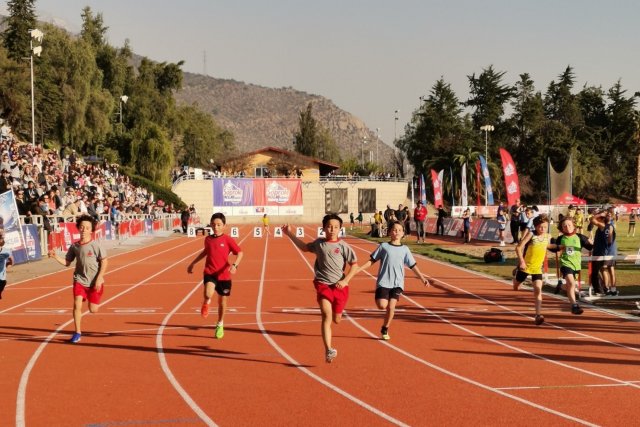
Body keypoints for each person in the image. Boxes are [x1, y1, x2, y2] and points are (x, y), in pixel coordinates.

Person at [282, 214, 357, 363]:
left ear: (340, 229)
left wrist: (346, 281)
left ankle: (336, 318)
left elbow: (354, 265)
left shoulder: (344, 247)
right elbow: (304, 247)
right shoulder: (319, 244)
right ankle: (328, 349)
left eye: (336, 227)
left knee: (337, 319)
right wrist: (289, 233)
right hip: (323, 284)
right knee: (326, 314)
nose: (332, 229)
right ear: (323, 228)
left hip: (340, 286)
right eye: (329, 226)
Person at [342, 221, 429, 340]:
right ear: (389, 232)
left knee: (391, 307)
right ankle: (384, 315)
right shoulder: (384, 247)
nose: (397, 232)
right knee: (382, 305)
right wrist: (358, 269)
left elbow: (413, 265)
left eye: (399, 230)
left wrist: (422, 278)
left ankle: (385, 327)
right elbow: (371, 261)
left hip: (397, 283)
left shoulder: (405, 249)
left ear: (403, 233)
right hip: (383, 281)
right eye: (394, 229)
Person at [48, 214, 109, 343]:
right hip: (79, 280)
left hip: (94, 282)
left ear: (91, 230)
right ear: (78, 228)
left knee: (93, 310)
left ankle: (92, 297)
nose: (84, 230)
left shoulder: (96, 245)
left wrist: (99, 278)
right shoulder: (74, 246)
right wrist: (55, 256)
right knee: (77, 305)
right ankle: (77, 332)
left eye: (87, 228)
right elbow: (67, 262)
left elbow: (104, 262)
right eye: (81, 227)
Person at [187, 212, 243, 339]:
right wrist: (193, 263)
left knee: (222, 302)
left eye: (219, 225)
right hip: (210, 272)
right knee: (208, 293)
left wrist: (235, 266)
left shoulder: (228, 239)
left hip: (224, 275)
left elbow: (240, 253)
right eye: (213, 224)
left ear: (224, 226)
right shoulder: (208, 239)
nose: (216, 227)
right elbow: (205, 252)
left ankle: (220, 324)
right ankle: (206, 302)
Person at [512, 214, 559, 325]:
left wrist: (562, 246)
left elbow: (548, 246)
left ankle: (538, 315)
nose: (542, 229)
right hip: (526, 267)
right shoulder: (531, 235)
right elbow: (518, 247)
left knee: (538, 290)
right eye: (540, 227)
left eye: (545, 227)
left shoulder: (547, 236)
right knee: (516, 287)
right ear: (535, 226)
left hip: (538, 268)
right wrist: (522, 262)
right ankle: (515, 277)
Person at [553, 217, 593, 314]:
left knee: (569, 285)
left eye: (569, 225)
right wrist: (551, 243)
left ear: (574, 225)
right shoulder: (560, 238)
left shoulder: (580, 237)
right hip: (565, 264)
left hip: (576, 265)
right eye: (564, 226)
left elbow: (590, 247)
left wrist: (592, 243)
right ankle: (574, 305)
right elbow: (554, 249)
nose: (567, 227)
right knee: (571, 284)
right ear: (561, 228)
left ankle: (561, 286)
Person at [590, 209, 617, 296]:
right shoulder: (612, 224)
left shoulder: (603, 225)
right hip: (611, 250)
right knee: (610, 269)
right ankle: (612, 289)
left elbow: (592, 219)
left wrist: (599, 214)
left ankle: (607, 289)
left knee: (604, 269)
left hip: (605, 251)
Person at [0, 231, 14, 299]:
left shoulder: (6, 252)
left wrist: (9, 264)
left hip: (1, 276)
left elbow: (11, 260)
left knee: (3, 282)